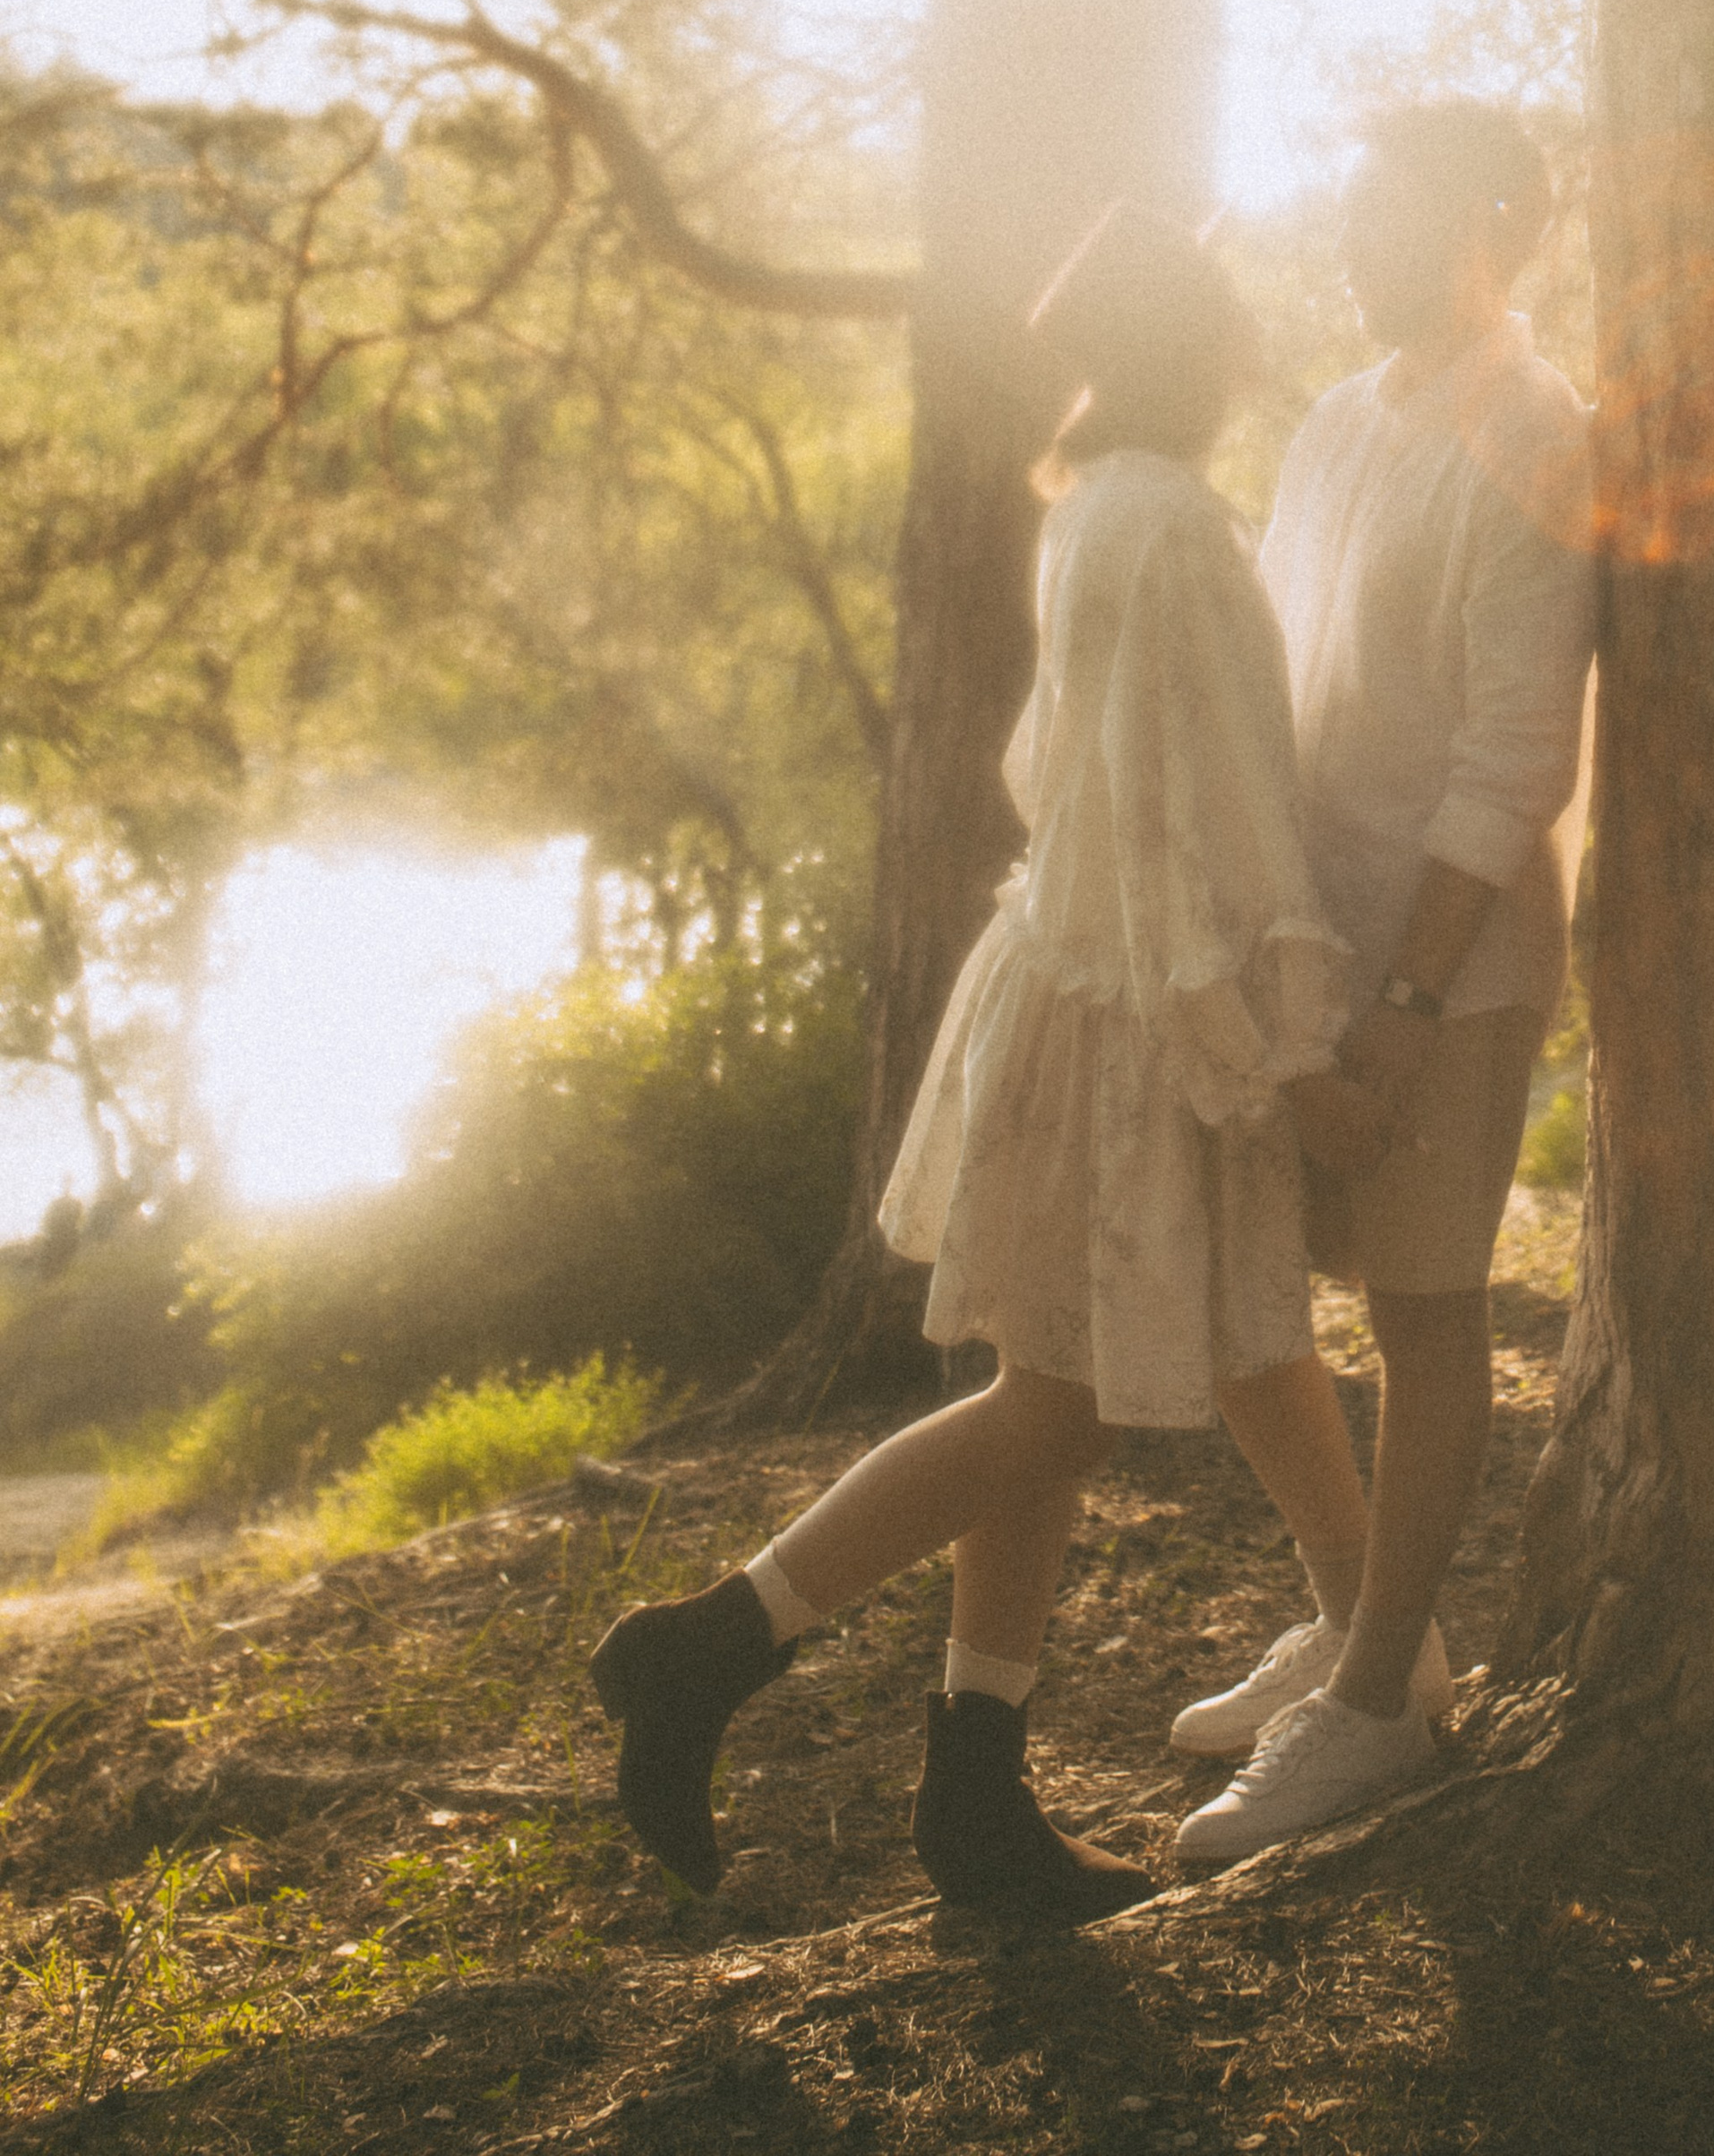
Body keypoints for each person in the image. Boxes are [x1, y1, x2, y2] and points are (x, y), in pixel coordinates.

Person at [588, 204, 1386, 1922]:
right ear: (1207, 350)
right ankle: (714, 1646)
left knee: (1048, 1408)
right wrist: (1279, 1045)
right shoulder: (1168, 528)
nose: (1253, 353)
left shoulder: (1095, 503)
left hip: (1074, 997)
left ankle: (976, 1788)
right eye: (1237, 328)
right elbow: (1202, 825)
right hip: (1124, 1025)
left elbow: (1073, 778)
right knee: (1050, 1406)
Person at [1170, 100, 1597, 1864]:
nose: (1353, 244)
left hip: (1449, 954)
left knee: (1423, 1317)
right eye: (1348, 209)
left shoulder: (1535, 431)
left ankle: (1369, 1721)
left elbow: (1512, 763)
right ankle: (1371, 1625)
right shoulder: (1340, 422)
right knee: (1236, 1295)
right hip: (1303, 938)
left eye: (1392, 214)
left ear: (1492, 229)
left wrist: (1402, 1014)